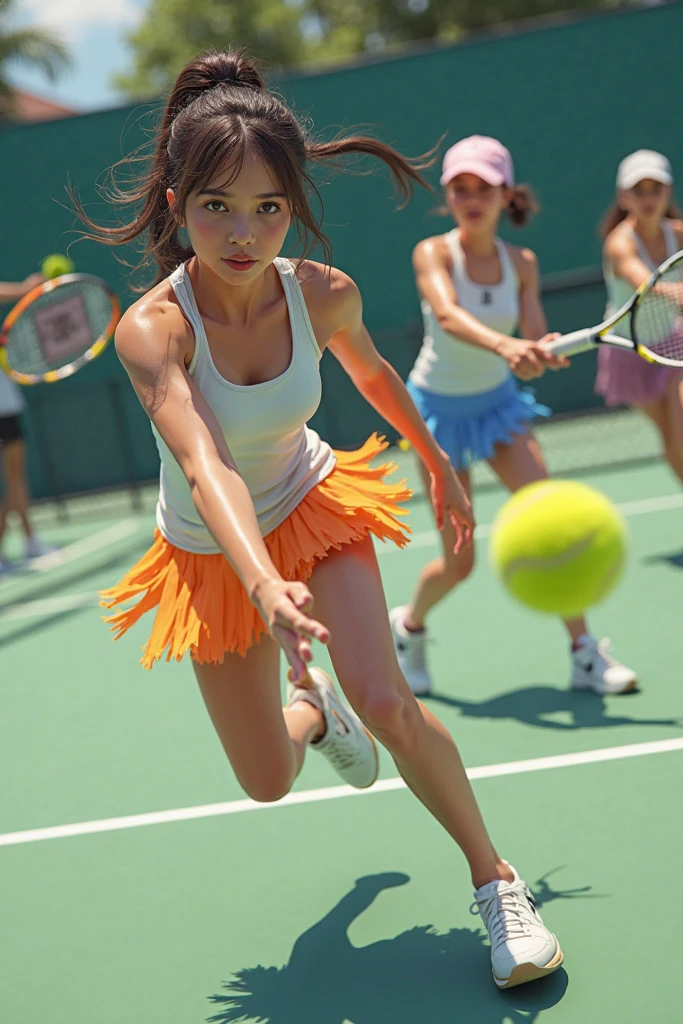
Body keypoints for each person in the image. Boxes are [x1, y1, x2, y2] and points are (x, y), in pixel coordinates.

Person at [80, 52, 563, 989]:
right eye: (217, 204)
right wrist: (262, 585)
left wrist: (437, 467)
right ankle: (313, 710)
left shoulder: (323, 293)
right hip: (213, 553)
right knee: (266, 779)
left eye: (268, 207)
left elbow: (374, 374)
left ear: (293, 206)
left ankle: (496, 883)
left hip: (311, 504)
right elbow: (203, 459)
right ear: (178, 203)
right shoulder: (153, 330)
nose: (243, 231)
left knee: (390, 703)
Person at [389, 136, 637, 697]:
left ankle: (583, 654)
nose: (472, 199)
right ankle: (408, 627)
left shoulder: (521, 263)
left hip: (498, 407)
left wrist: (536, 353)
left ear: (506, 195)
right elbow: (449, 316)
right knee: (460, 562)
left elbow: (532, 335)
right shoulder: (434, 253)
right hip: (436, 414)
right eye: (460, 189)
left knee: (549, 524)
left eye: (484, 188)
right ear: (448, 197)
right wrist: (506, 350)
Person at [596, 149, 683, 490]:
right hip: (628, 348)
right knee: (671, 437)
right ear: (624, 197)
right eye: (639, 190)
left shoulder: (680, 234)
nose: (648, 198)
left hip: (675, 342)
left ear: (669, 192)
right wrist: (681, 294)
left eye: (656, 188)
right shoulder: (619, 244)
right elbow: (647, 283)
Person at [0, 273, 59, 571]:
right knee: (12, 478)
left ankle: (29, 541)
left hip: (6, 407)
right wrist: (24, 288)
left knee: (14, 478)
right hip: (4, 409)